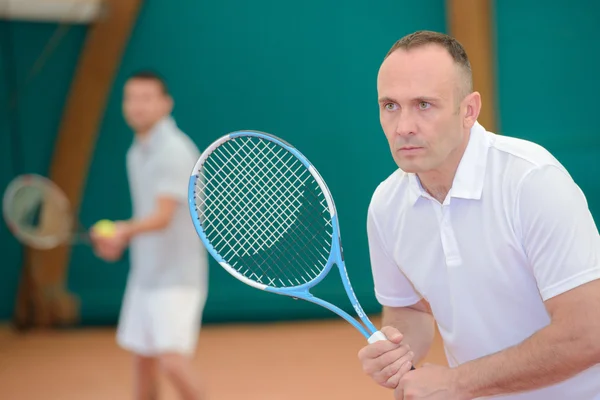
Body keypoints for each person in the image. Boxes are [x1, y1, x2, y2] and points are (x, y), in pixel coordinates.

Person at [357, 30, 600, 399]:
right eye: (390, 105)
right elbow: (411, 311)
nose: (403, 126)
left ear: (469, 110)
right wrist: (396, 348)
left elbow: (589, 333)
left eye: (424, 104)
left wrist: (458, 383)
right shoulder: (386, 205)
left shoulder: (531, 182)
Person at [90, 70, 209, 400]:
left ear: (165, 104)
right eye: (131, 98)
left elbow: (162, 218)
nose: (137, 106)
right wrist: (122, 238)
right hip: (145, 276)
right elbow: (149, 219)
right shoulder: (137, 150)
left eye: (146, 98)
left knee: (172, 362)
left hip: (177, 278)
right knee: (142, 361)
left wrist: (122, 231)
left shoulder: (172, 149)